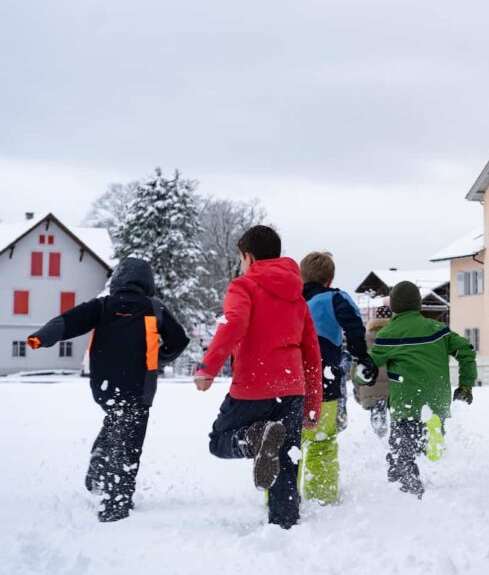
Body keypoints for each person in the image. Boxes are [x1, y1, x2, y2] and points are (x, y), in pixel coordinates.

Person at [27, 258, 189, 522]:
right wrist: (160, 358)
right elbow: (179, 340)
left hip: (105, 387)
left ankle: (98, 472)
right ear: (147, 282)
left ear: (117, 281)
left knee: (116, 422)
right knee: (129, 443)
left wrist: (40, 337)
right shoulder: (154, 308)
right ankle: (116, 502)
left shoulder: (102, 306)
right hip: (139, 388)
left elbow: (67, 322)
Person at [194, 225, 322, 529]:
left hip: (255, 385)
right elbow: (312, 352)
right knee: (286, 456)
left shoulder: (244, 286)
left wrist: (208, 368)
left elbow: (234, 323)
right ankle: (285, 524)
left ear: (248, 257)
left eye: (240, 258)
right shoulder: (297, 296)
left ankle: (254, 438)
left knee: (220, 441)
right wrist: (312, 404)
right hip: (291, 388)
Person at [369, 281, 477, 498]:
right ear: (418, 304)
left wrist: (359, 376)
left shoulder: (389, 334)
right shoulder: (438, 329)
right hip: (437, 401)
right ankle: (431, 437)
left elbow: (368, 367)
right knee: (423, 434)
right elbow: (466, 350)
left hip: (406, 403)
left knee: (401, 454)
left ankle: (409, 494)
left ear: (394, 307)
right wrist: (465, 385)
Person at [297, 251, 376, 504]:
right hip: (323, 382)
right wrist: (362, 357)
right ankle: (321, 499)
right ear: (329, 279)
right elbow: (354, 329)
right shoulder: (336, 299)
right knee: (322, 442)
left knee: (285, 444)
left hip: (286, 382)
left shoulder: (288, 300)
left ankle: (281, 498)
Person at [353, 310, 392, 438]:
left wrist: (357, 386)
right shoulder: (397, 337)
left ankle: (379, 441)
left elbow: (355, 366)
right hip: (394, 387)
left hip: (371, 386)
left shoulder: (364, 339)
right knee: (397, 421)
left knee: (378, 424)